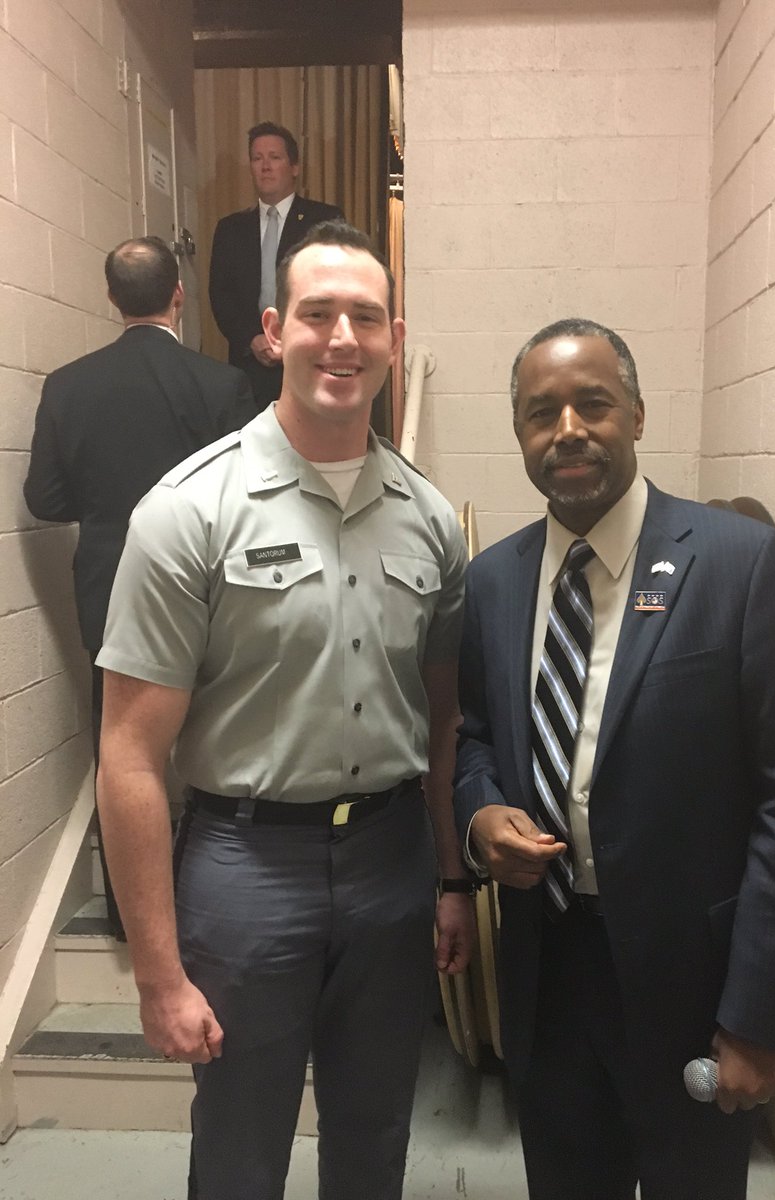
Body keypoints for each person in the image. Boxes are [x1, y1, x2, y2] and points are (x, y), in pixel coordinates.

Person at [95, 220, 475, 1200]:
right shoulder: (189, 511)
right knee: (239, 1150)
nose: (342, 338)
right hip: (245, 869)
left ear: (394, 339)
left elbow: (441, 723)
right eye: (317, 314)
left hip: (391, 864)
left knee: (376, 1135)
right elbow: (129, 756)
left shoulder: (432, 521)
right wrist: (157, 974)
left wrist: (450, 879)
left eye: (366, 317)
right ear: (273, 332)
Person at [453, 318, 775, 1200]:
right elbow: (474, 736)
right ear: (519, 433)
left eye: (593, 404)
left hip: (694, 987)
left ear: (637, 414)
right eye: (541, 413)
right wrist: (478, 814)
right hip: (547, 971)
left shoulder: (739, 564)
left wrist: (759, 1016)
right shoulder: (495, 580)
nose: (568, 430)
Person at [23, 236, 256, 939]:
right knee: (222, 724)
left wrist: (106, 511)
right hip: (206, 582)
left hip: (108, 580)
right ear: (178, 295)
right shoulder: (221, 385)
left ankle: (131, 916)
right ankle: (223, 895)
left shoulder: (67, 384)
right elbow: (248, 495)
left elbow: (44, 497)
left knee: (121, 744)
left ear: (111, 298)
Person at [209, 120, 343, 411]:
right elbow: (221, 296)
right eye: (257, 158)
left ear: (294, 167)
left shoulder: (324, 221)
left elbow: (334, 288)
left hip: (309, 359)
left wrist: (294, 338)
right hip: (250, 365)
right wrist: (252, 338)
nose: (265, 166)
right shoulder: (231, 228)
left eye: (274, 157)